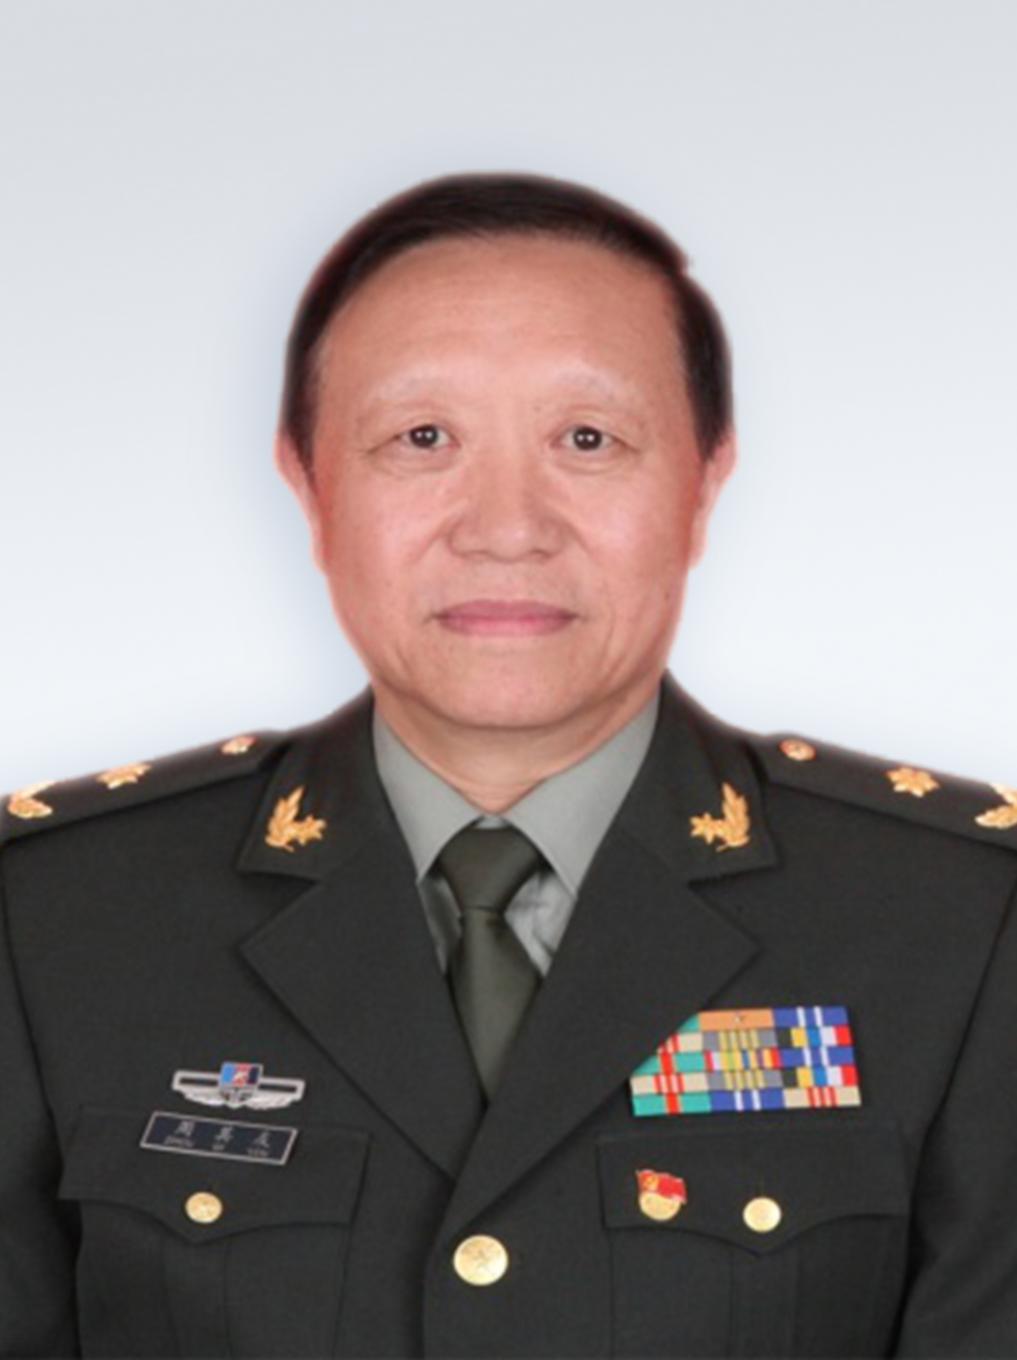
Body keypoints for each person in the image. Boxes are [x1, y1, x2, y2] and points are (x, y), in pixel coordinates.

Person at [2, 171, 1016, 1360]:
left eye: (589, 439)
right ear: (309, 483)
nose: (505, 526)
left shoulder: (960, 922)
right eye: (421, 438)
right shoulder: (53, 915)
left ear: (703, 483)